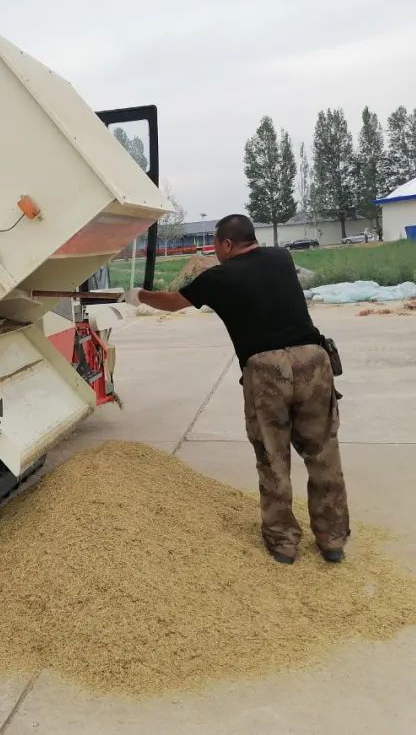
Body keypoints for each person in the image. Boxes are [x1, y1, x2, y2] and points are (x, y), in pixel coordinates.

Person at [124, 214, 349, 564]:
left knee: (273, 459)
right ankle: (333, 541)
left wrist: (138, 295)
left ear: (227, 244)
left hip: (266, 369)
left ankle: (284, 544)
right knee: (323, 454)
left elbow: (172, 302)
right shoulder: (281, 258)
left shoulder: (218, 277)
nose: (215, 252)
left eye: (216, 246)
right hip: (313, 361)